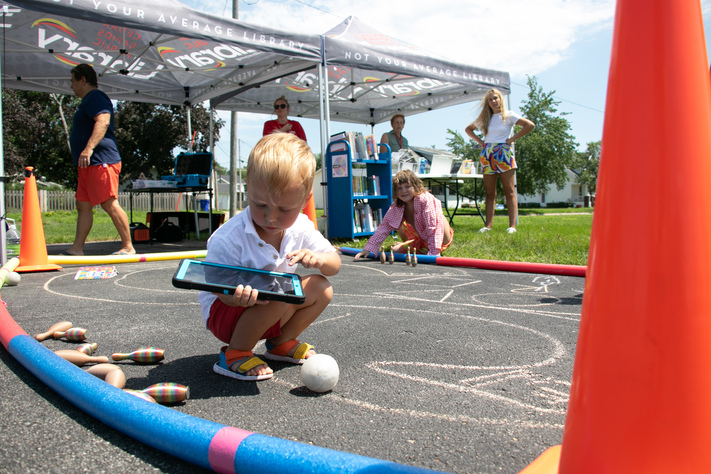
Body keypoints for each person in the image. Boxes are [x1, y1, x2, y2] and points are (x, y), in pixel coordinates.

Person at [198, 133, 341, 381]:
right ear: (248, 187)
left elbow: (334, 264)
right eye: (259, 204)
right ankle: (235, 353)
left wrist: (319, 260)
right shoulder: (229, 237)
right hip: (226, 313)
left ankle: (280, 343)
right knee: (282, 289)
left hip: (271, 305)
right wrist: (233, 298)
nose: (270, 217)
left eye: (284, 209)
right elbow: (215, 287)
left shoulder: (302, 226)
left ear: (305, 199)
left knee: (321, 287)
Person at [65, 64, 135, 256]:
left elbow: (103, 121)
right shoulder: (87, 101)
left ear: (83, 80)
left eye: (73, 81)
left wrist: (88, 149)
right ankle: (77, 248)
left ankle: (128, 246)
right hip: (87, 164)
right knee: (83, 205)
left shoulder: (97, 97)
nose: (71, 86)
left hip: (100, 160)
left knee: (108, 202)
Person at [465, 88, 535, 234]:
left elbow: (529, 125)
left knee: (509, 191)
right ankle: (488, 226)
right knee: (490, 192)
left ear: (500, 99)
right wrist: (480, 142)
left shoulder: (509, 115)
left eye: (496, 98)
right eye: (490, 99)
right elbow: (468, 129)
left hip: (504, 152)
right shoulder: (485, 117)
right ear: (488, 102)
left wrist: (512, 139)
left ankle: (512, 226)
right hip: (488, 153)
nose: (493, 101)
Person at [354, 170, 453, 259]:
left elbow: (433, 228)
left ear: (416, 186)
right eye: (399, 188)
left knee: (433, 219)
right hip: (423, 238)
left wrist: (434, 254)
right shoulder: (398, 205)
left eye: (407, 187)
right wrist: (369, 248)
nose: (403, 191)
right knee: (394, 249)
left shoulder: (425, 200)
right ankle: (420, 246)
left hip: (440, 238)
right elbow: (385, 226)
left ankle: (431, 249)